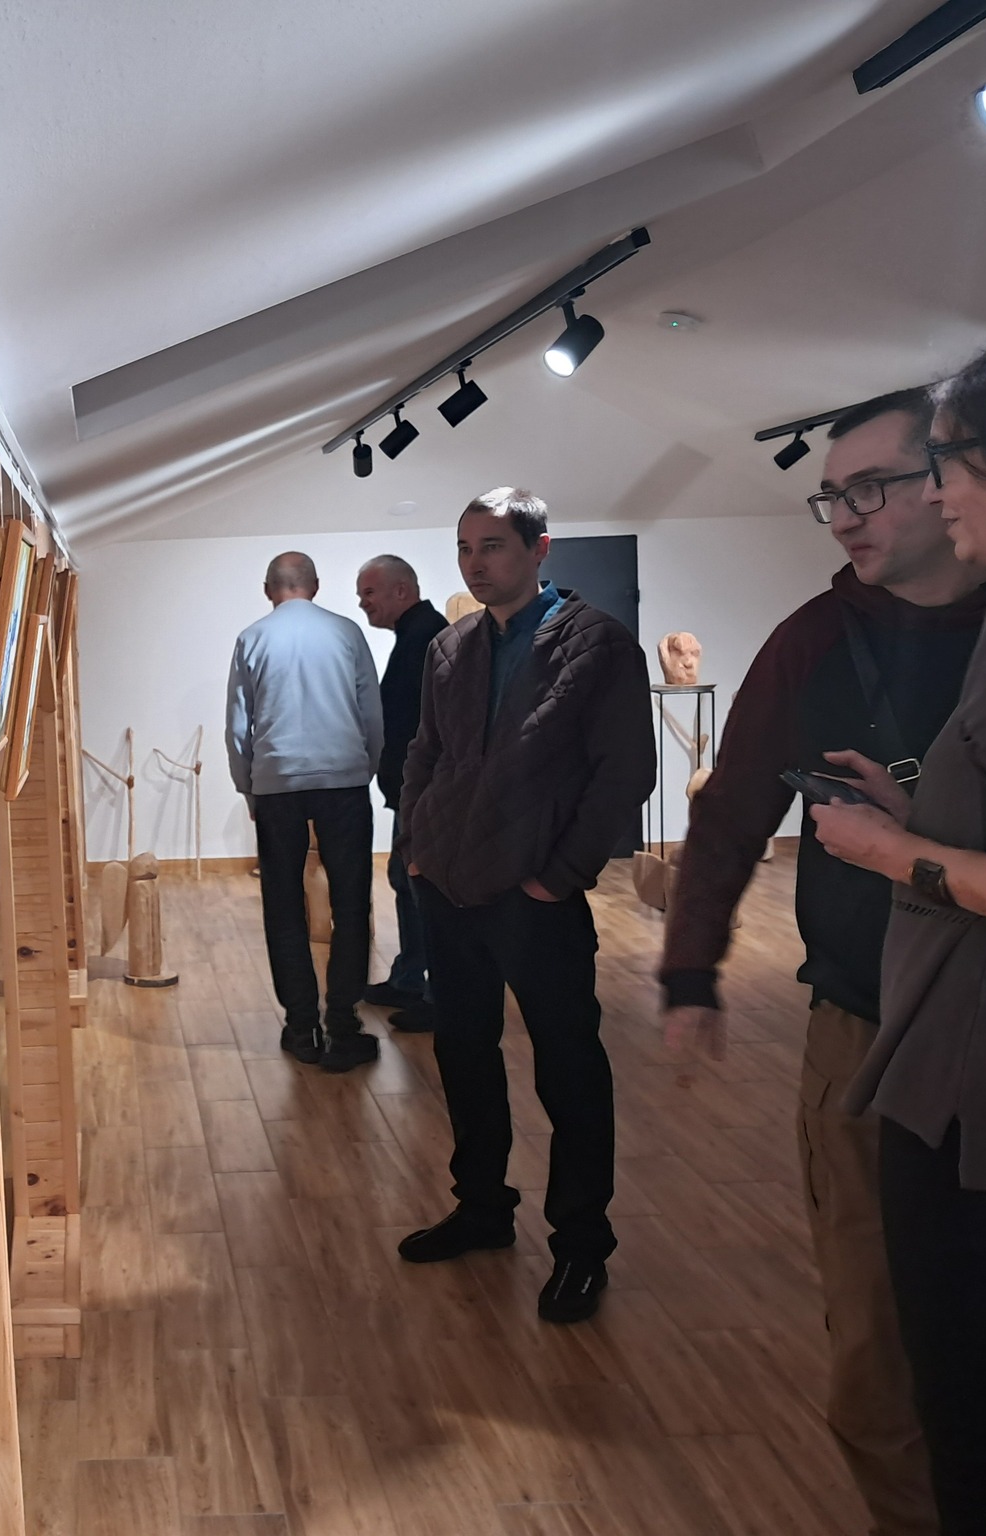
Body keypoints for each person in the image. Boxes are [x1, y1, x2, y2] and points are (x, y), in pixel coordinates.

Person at [661, 387, 986, 1536]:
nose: (844, 516)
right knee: (872, 1333)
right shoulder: (812, 639)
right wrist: (689, 973)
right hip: (863, 1024)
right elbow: (729, 813)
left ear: (946, 482)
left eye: (870, 488)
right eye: (829, 496)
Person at [811, 324, 986, 1536]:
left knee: (977, 1404)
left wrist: (887, 852)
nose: (936, 492)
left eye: (949, 461)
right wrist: (922, 812)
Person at [395, 488, 654, 1323]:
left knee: (568, 1064)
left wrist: (561, 874)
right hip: (451, 886)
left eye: (494, 546)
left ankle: (580, 1243)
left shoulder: (599, 644)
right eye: (465, 547)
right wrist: (418, 847)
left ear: (540, 549)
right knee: (463, 1052)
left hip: (535, 893)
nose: (476, 563)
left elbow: (625, 772)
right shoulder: (452, 646)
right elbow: (426, 753)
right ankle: (481, 1207)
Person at [225, 551, 384, 1073]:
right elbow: (371, 713)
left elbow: (238, 727)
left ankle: (301, 1027)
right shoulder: (346, 633)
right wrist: (364, 768)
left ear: (267, 589)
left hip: (278, 785)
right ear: (315, 586)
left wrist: (250, 789)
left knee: (283, 905)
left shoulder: (252, 638)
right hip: (344, 781)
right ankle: (343, 1024)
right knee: (351, 903)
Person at [355, 554, 447, 1030]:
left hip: (427, 795)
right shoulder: (416, 636)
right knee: (405, 883)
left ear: (401, 591)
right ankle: (410, 979)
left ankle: (438, 994)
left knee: (424, 890)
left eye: (369, 592)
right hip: (413, 792)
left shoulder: (428, 639)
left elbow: (429, 726)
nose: (362, 603)